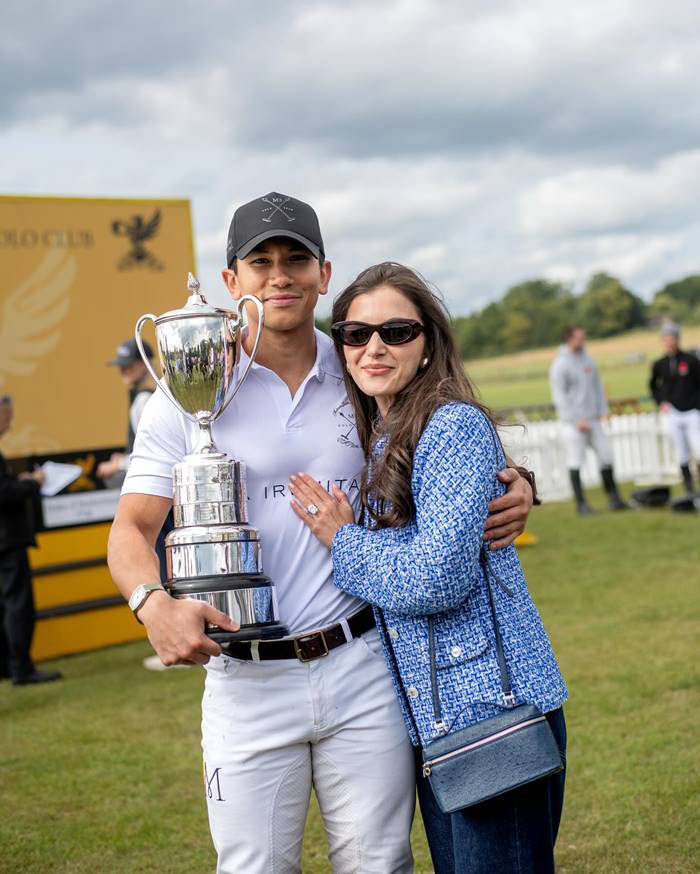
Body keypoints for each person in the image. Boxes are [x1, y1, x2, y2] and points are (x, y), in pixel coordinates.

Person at [107, 192, 536, 874]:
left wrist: (513, 482)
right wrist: (151, 603)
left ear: (323, 272)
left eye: (296, 259)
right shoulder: (188, 384)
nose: (280, 276)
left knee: (380, 863)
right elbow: (130, 528)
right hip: (246, 677)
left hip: (363, 663)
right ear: (232, 282)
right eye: (261, 262)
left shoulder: (363, 364)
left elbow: (442, 442)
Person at [292, 263, 567, 874]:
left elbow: (437, 578)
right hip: (442, 722)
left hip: (494, 716)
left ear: (428, 344)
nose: (374, 347)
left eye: (395, 331)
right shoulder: (383, 431)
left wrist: (344, 541)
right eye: (356, 334)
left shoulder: (449, 425)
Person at [97, 339, 174, 581]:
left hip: (157, 496)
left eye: (129, 365)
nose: (123, 370)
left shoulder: (143, 400)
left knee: (160, 562)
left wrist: (115, 465)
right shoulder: (148, 397)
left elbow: (154, 454)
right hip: (162, 495)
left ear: (144, 365)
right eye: (121, 365)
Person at [0, 395, 62, 686]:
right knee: (17, 604)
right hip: (7, 541)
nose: (9, 423)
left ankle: (12, 666)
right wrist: (31, 482)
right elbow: (4, 493)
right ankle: (21, 669)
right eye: (6, 417)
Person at [549, 325, 628, 514]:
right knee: (576, 460)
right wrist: (576, 419)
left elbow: (597, 387)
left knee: (606, 456)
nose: (583, 341)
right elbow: (560, 396)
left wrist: (603, 410)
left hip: (594, 419)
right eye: (579, 338)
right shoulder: (560, 365)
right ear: (569, 339)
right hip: (574, 423)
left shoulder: (588, 359)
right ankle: (581, 504)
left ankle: (614, 498)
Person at [649, 322, 700, 495]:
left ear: (677, 339)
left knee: (698, 448)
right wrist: (661, 401)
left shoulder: (691, 361)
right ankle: (689, 488)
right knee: (681, 452)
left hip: (692, 411)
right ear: (663, 341)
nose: (670, 342)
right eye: (666, 339)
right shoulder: (659, 364)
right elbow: (653, 386)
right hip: (673, 412)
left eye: (672, 338)